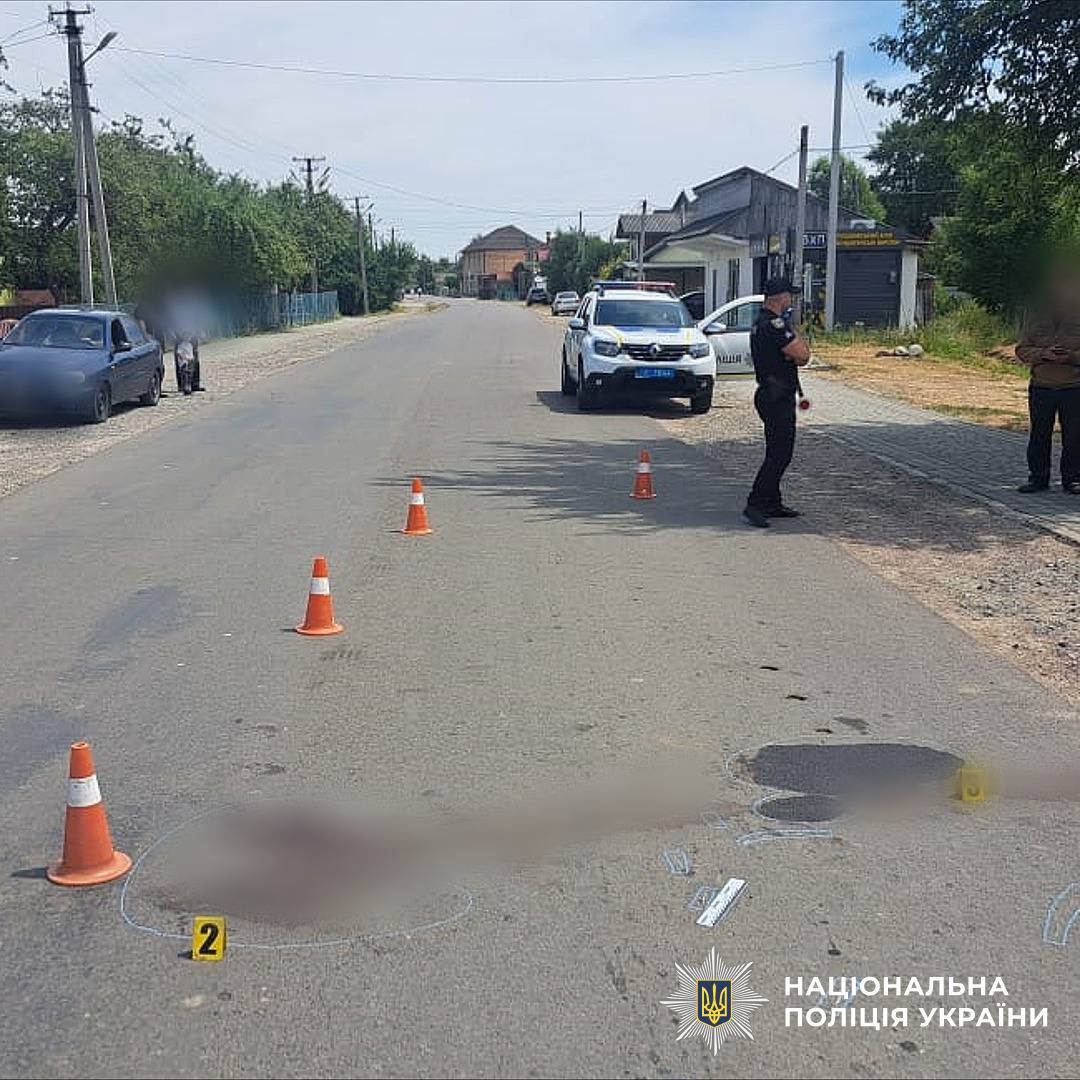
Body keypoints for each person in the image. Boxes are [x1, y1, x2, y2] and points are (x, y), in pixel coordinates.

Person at [743, 275, 811, 528]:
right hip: (777, 396)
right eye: (789, 295)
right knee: (780, 454)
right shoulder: (775, 325)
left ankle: (772, 501)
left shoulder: (761, 322)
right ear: (782, 297)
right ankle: (756, 503)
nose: (791, 299)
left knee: (776, 450)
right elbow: (803, 355)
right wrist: (795, 334)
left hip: (771, 394)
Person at [1015, 270, 1080, 494]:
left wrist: (1070, 357)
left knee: (1074, 436)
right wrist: (1044, 354)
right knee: (1039, 435)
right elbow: (1022, 350)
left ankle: (1073, 479)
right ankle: (1038, 478)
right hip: (1042, 387)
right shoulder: (1035, 316)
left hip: (1073, 387)